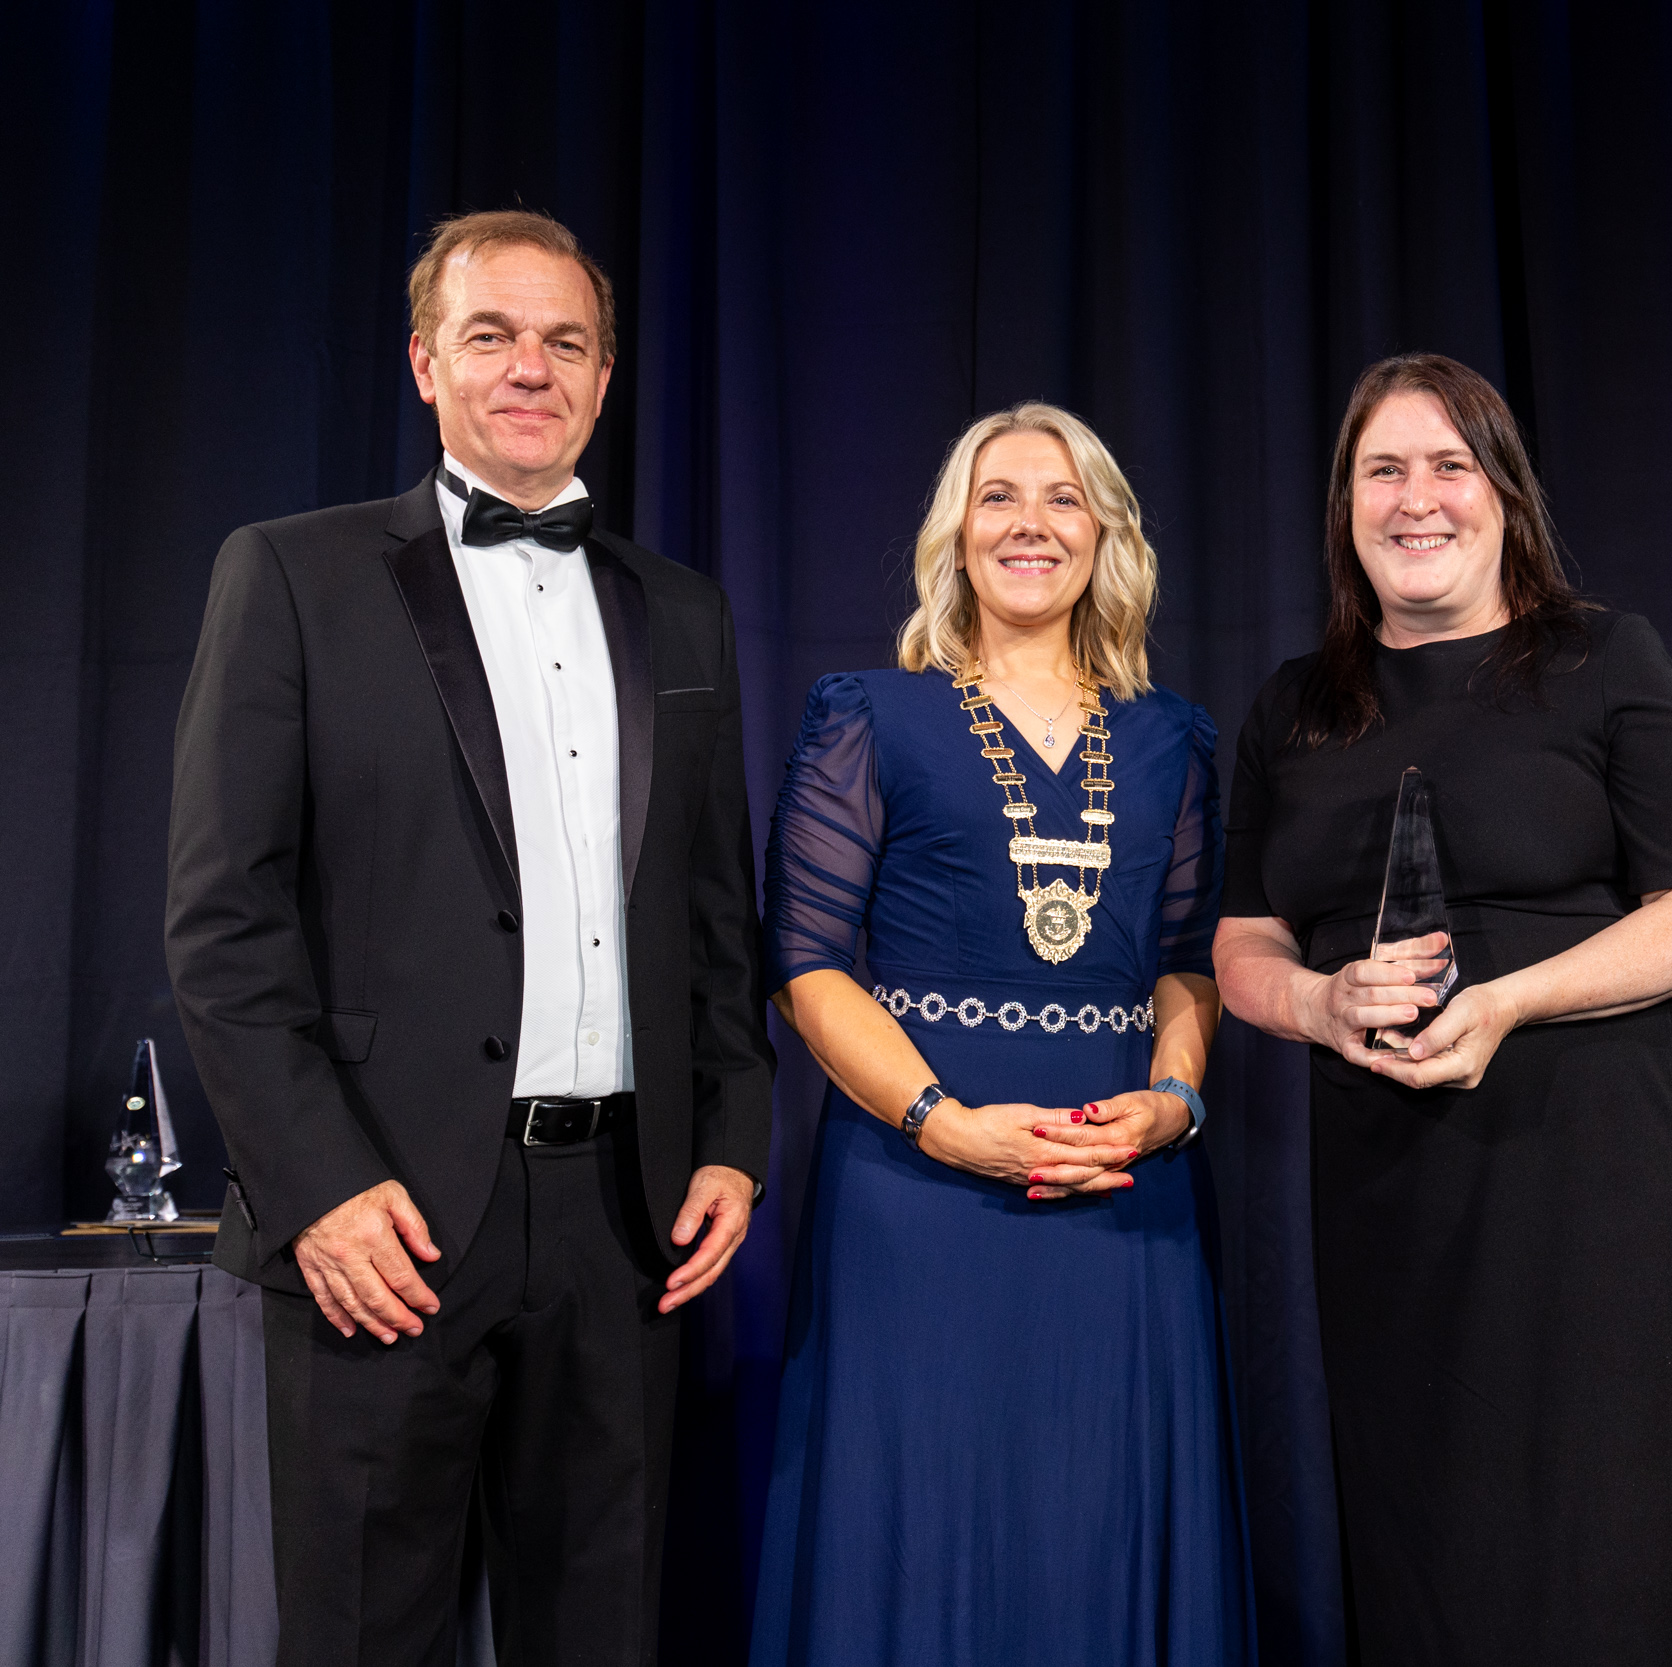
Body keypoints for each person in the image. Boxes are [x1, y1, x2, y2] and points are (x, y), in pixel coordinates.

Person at [164, 210, 774, 1664]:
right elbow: (223, 921)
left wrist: (735, 1138)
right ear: (427, 363)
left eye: (565, 341)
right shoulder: (291, 574)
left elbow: (714, 921)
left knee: (603, 1632)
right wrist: (319, 1186)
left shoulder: (682, 613)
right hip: (387, 1216)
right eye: (492, 334)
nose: (530, 367)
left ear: (607, 377)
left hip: (627, 1219)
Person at [1212, 354, 1672, 1665]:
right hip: (1386, 1192)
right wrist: (1321, 1000)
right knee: (1417, 1553)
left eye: (1450, 464)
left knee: (1590, 1549)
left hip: (1581, 1177)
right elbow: (1238, 939)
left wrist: (1509, 1000)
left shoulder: (1602, 657)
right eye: (1382, 469)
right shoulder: (1295, 704)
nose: (1418, 498)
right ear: (1345, 504)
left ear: (1504, 491)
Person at [749, 402, 1249, 1666]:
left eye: (1063, 496)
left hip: (1123, 1190)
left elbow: (1189, 961)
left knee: (1100, 1514)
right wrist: (944, 1123)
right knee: (912, 1517)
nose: (1031, 522)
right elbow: (805, 964)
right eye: (998, 496)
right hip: (915, 1190)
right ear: (954, 536)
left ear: (1107, 534)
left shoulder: (1172, 736)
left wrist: (1174, 1100)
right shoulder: (868, 713)